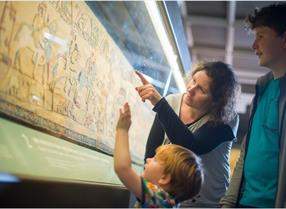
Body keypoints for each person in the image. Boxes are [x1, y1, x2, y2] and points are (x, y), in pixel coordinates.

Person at [135, 61, 240, 207]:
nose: (191, 89)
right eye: (194, 80)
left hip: (207, 202)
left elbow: (191, 146)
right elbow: (151, 153)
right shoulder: (171, 102)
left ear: (217, 101)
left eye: (201, 90)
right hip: (169, 197)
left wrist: (159, 103)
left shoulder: (227, 118)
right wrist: (148, 192)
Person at [220, 3, 286, 208]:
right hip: (243, 203)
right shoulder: (262, 88)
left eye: (261, 37)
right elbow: (246, 153)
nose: (253, 46)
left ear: (284, 38)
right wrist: (229, 201)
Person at [114, 102, 203, 208]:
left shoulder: (158, 200)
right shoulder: (170, 202)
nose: (148, 159)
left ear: (164, 178)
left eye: (155, 159)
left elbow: (122, 168)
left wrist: (122, 130)